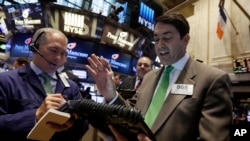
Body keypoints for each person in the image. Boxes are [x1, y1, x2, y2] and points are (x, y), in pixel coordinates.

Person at [85, 12, 233, 141]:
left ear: (185, 40)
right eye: (157, 38)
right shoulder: (149, 77)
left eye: (167, 38)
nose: (159, 45)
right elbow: (133, 114)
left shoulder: (212, 80)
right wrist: (110, 93)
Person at [0, 27, 88, 141]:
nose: (58, 58)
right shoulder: (6, 80)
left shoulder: (72, 87)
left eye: (64, 53)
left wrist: (73, 121)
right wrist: (35, 116)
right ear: (34, 48)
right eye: (53, 50)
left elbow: (83, 128)